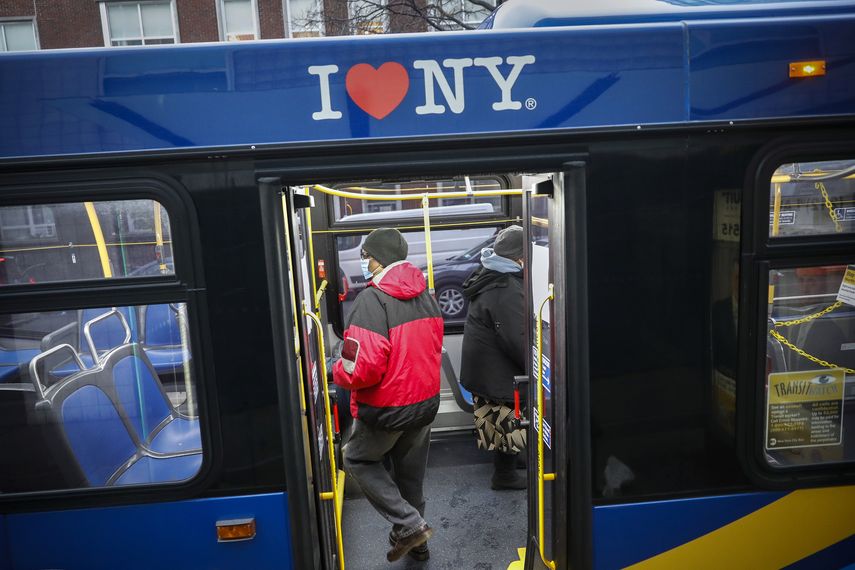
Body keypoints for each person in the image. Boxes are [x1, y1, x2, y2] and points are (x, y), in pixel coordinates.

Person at [333, 227, 444, 562]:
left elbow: (361, 369)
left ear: (378, 259)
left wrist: (336, 368)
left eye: (366, 255)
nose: (363, 261)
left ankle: (410, 525)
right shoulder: (426, 295)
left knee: (357, 458)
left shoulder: (372, 300)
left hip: (387, 408)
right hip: (425, 404)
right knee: (410, 477)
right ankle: (418, 542)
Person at [460, 225, 528, 490]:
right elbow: (517, 338)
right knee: (505, 413)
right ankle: (505, 475)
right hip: (493, 368)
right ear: (519, 257)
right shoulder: (506, 287)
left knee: (500, 417)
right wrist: (538, 368)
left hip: (483, 364)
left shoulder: (490, 272)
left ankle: (512, 460)